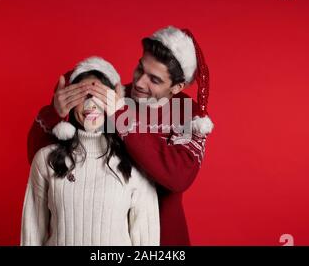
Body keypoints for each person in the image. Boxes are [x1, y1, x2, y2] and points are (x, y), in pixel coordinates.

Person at [28, 26, 214, 245]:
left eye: (154, 80)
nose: (139, 82)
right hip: (107, 236)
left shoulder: (186, 113)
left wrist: (120, 116)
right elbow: (44, 162)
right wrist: (55, 113)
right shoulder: (114, 97)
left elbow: (179, 177)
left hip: (164, 237)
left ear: (177, 87)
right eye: (139, 69)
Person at [21, 57, 160, 246]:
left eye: (100, 95)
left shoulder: (135, 161)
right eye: (83, 96)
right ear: (70, 102)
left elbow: (146, 238)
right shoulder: (45, 159)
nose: (91, 105)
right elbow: (32, 233)